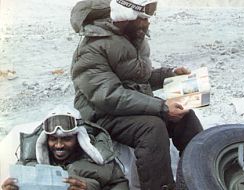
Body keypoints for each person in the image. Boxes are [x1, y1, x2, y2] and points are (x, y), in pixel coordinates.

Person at [70, 0, 204, 189]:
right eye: (142, 18)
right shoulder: (92, 48)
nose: (147, 23)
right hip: (101, 114)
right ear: (126, 16)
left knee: (185, 116)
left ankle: (201, 173)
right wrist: (162, 108)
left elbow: (141, 79)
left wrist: (170, 75)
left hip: (128, 107)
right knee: (152, 128)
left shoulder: (133, 38)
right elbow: (108, 96)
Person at [1, 106, 129, 190]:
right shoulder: (27, 165)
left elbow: (120, 185)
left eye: (66, 139)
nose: (58, 145)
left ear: (79, 139)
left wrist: (89, 187)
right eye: (53, 139)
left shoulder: (101, 162)